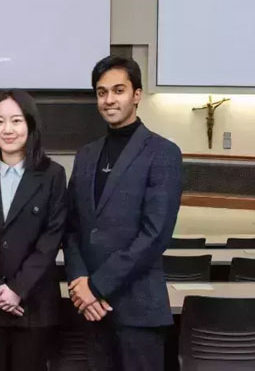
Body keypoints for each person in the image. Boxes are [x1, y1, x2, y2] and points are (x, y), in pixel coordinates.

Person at [63, 56, 183, 370]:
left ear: (137, 94)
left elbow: (155, 235)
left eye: (118, 90)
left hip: (138, 309)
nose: (109, 99)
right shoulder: (87, 154)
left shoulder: (163, 152)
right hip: (92, 310)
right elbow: (72, 226)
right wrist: (79, 282)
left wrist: (96, 286)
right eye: (102, 92)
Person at [0, 90, 67, 371]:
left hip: (33, 305)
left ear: (30, 125)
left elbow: (51, 238)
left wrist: (17, 289)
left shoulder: (52, 174)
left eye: (16, 121)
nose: (7, 129)